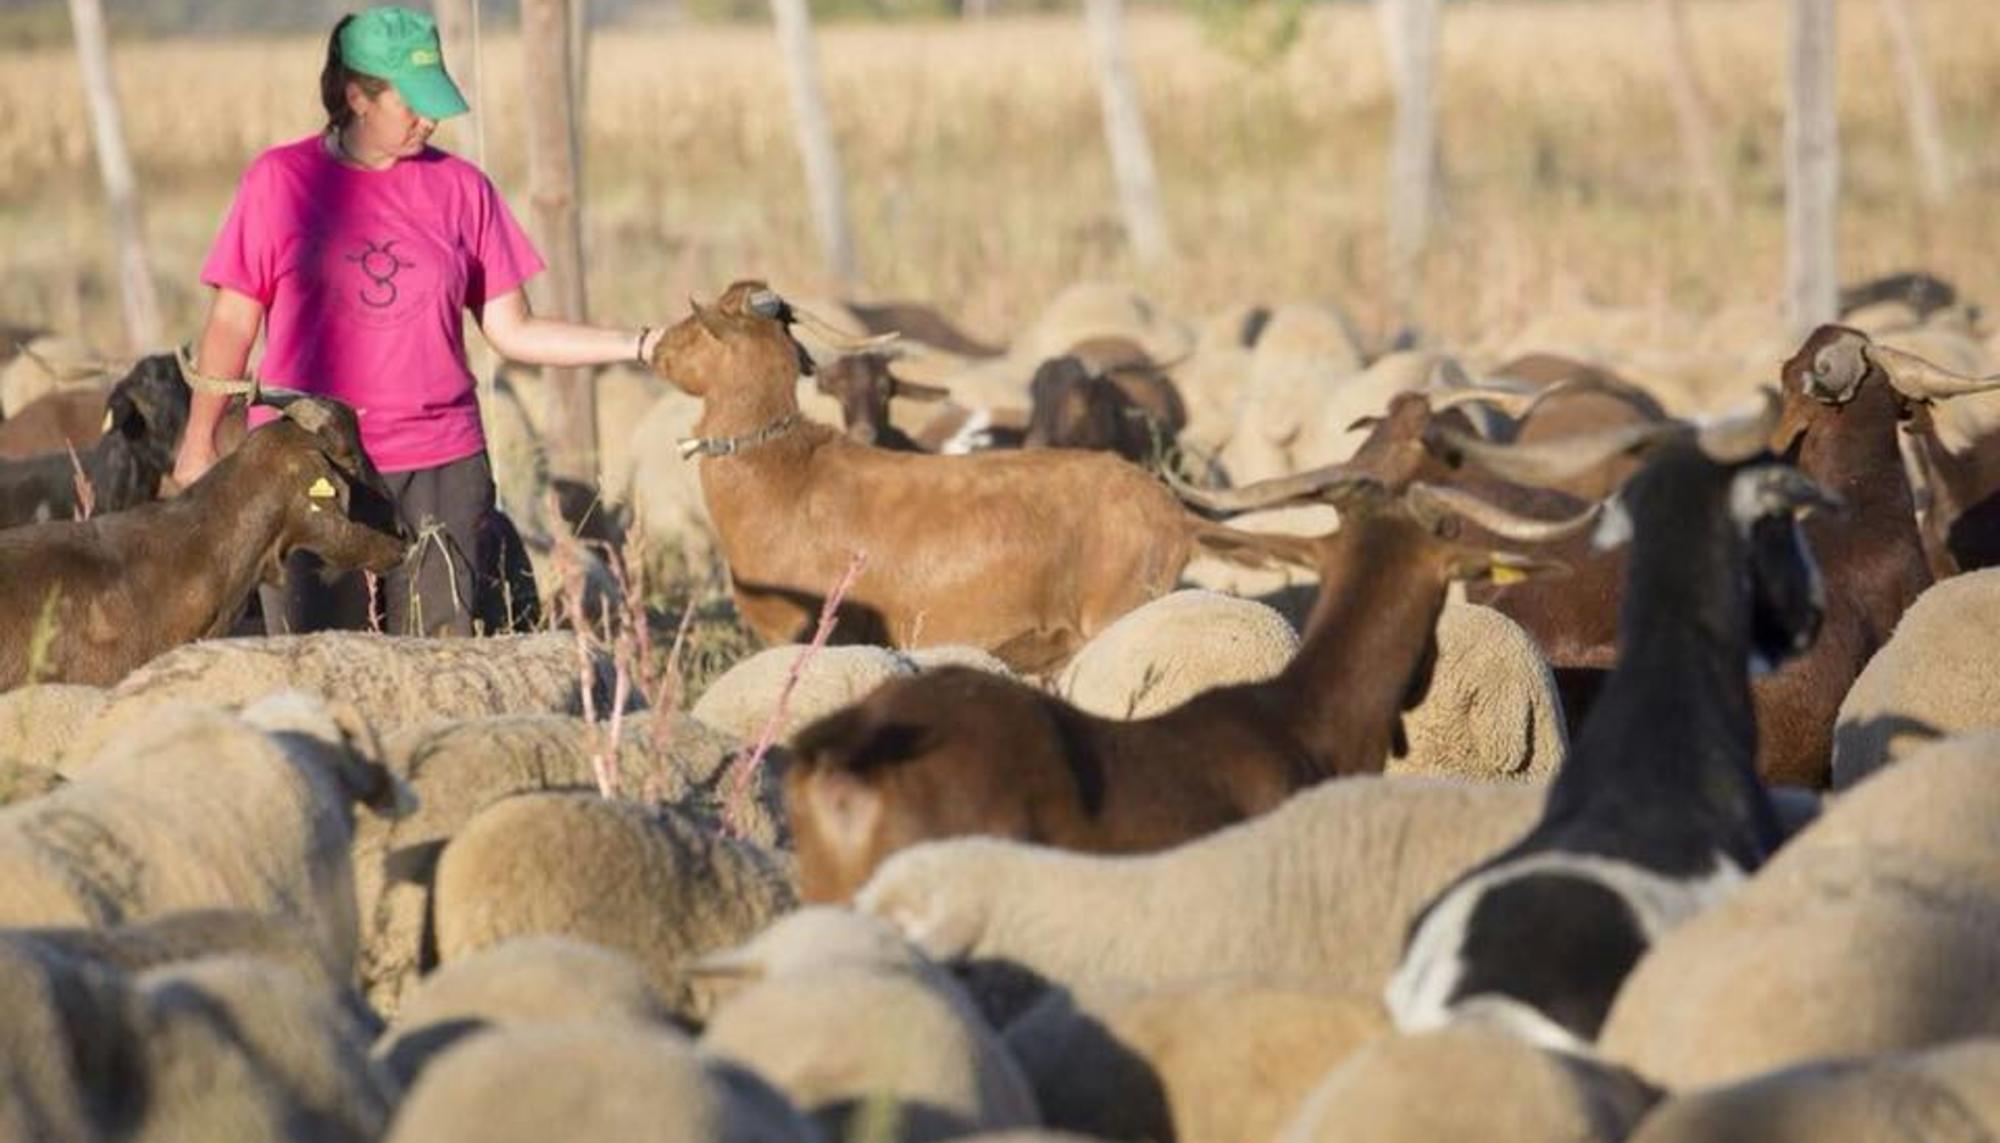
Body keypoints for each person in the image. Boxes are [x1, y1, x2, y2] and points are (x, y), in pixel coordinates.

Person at [174, 4, 660, 638]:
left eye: (436, 102)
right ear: (358, 96)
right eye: (413, 105)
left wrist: (640, 344)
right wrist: (198, 439)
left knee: (441, 659)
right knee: (315, 661)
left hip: (440, 466)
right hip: (308, 464)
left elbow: (514, 330)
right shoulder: (280, 182)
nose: (430, 119)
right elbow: (232, 326)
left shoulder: (464, 190)